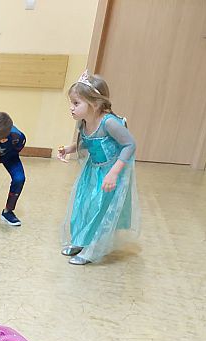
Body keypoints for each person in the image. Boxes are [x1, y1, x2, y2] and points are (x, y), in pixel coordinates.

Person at [57, 71, 140, 265]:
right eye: (71, 103)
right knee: (83, 206)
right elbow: (88, 142)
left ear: (95, 104)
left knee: (99, 209)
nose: (71, 108)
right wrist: (69, 149)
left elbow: (130, 145)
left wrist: (114, 173)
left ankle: (92, 249)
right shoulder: (84, 122)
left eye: (76, 103)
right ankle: (81, 241)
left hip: (110, 173)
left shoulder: (109, 123)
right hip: (92, 171)